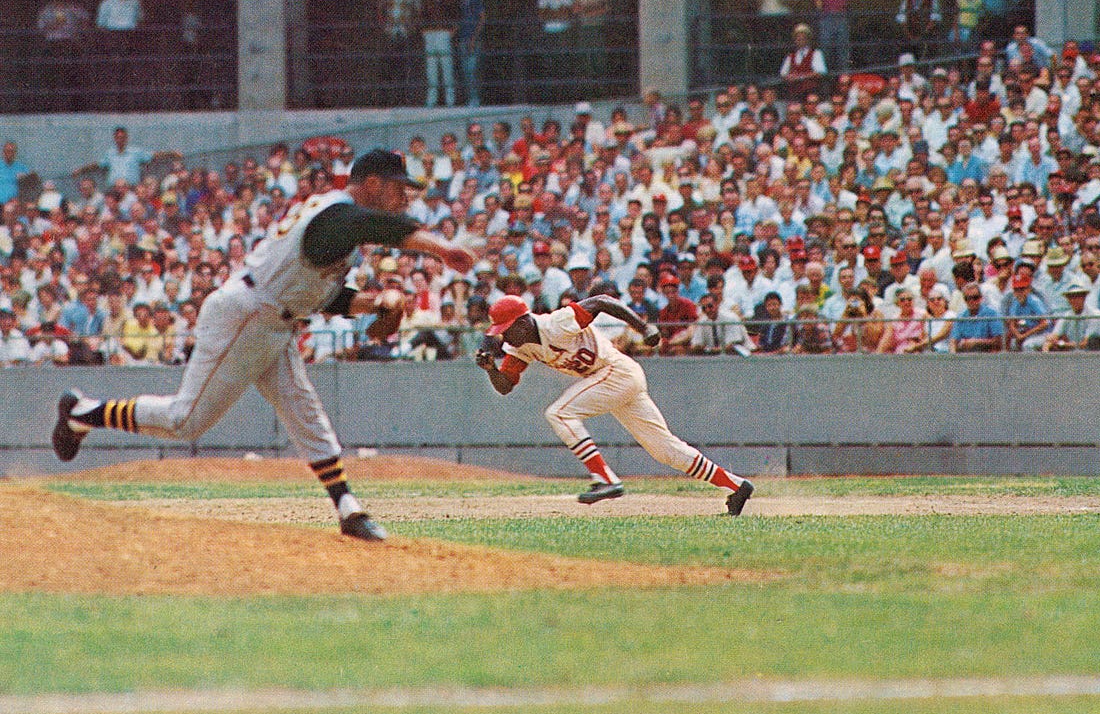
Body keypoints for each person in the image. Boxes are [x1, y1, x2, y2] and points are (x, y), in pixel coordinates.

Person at [51, 149, 473, 541]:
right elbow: (376, 226)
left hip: (276, 318)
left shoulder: (334, 224)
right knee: (185, 421)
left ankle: (349, 509)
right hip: (248, 315)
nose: (406, 199)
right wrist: (442, 248)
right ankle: (83, 412)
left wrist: (376, 302)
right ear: (375, 183)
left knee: (305, 412)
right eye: (401, 189)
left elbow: (327, 297)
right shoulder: (339, 214)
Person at [474, 292, 755, 514]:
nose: (504, 335)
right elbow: (505, 387)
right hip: (613, 378)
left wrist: (643, 328)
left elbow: (603, 301)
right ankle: (737, 485)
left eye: (508, 329)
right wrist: (490, 370)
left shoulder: (555, 323)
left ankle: (606, 480)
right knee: (665, 450)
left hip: (615, 371)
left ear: (524, 322)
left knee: (559, 413)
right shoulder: (520, 346)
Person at [811, 0, 854, 75]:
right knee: (826, 50)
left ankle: (844, 78)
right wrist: (820, 8)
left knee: (843, 51)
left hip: (841, 16)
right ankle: (826, 80)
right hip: (827, 17)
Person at [454, 0, 485, 108]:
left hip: (472, 39)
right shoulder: (462, 3)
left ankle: (475, 98)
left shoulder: (476, 0)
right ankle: (468, 98)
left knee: (472, 69)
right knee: (465, 70)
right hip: (463, 38)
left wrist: (474, 38)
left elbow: (482, 18)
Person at [779, 23, 827, 101]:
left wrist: (801, 77)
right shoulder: (791, 56)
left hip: (810, 93)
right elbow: (783, 74)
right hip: (795, 94)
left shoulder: (816, 53)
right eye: (798, 38)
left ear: (808, 39)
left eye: (802, 38)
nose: (800, 40)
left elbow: (820, 72)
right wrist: (790, 77)